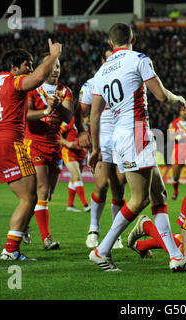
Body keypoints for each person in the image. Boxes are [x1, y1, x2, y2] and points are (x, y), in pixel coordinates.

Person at [88, 22, 186, 272]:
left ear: (111, 44)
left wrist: (96, 148)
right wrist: (177, 98)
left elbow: (94, 115)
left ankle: (175, 257)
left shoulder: (101, 71)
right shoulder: (139, 59)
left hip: (119, 135)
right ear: (133, 39)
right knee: (139, 199)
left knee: (159, 194)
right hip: (135, 132)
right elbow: (161, 95)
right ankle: (102, 250)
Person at [0, 40, 62, 260]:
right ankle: (11, 250)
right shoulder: (14, 82)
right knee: (29, 198)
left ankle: (13, 248)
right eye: (27, 64)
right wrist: (53, 55)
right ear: (14, 67)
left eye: (31, 64)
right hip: (10, 146)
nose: (30, 69)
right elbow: (39, 78)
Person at [77, 46, 126, 249]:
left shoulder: (127, 80)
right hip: (103, 139)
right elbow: (81, 112)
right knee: (102, 185)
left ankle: (115, 234)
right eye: (107, 59)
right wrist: (82, 132)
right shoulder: (92, 83)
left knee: (119, 190)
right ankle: (93, 228)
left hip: (124, 138)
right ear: (103, 62)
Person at [24, 53, 74, 250]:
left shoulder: (65, 91)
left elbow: (69, 117)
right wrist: (45, 111)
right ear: (43, 68)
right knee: (42, 189)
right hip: (34, 143)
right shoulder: (32, 89)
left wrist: (58, 106)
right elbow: (25, 115)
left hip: (54, 145)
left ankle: (25, 222)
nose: (56, 70)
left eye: (58, 66)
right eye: (52, 66)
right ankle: (47, 239)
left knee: (47, 195)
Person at [61, 110, 90, 212]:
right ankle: (86, 205)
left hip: (81, 154)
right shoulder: (72, 122)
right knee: (77, 176)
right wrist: (67, 143)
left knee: (74, 179)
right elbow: (57, 133)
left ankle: (70, 205)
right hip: (69, 152)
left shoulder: (92, 126)